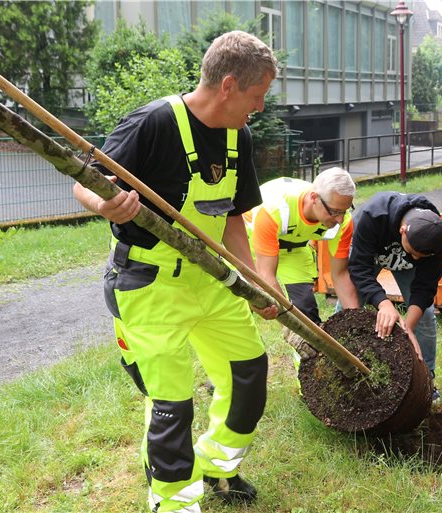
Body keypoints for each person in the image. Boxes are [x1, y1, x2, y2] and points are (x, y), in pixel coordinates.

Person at [72, 31, 279, 513]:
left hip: (213, 281)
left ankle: (217, 466)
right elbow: (82, 180)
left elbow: (231, 218)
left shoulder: (238, 136)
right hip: (149, 284)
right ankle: (173, 503)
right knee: (171, 404)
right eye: (257, 96)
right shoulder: (153, 122)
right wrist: (107, 203)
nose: (260, 107)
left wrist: (253, 283)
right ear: (228, 85)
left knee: (249, 374)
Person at [346, 192, 442, 401]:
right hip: (370, 256)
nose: (415, 258)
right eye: (413, 252)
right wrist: (383, 304)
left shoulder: (435, 235)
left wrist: (408, 328)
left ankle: (426, 379)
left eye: (421, 257)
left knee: (426, 318)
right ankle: (344, 374)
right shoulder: (372, 217)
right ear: (402, 230)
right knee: (347, 312)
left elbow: (425, 286)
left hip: (405, 268)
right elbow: (359, 269)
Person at [245, 167, 359, 330]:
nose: (340, 219)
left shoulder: (343, 221)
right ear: (314, 198)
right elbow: (266, 275)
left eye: (344, 210)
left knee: (305, 310)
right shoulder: (274, 209)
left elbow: (340, 275)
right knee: (247, 304)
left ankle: (310, 354)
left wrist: (356, 323)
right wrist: (291, 326)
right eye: (334, 212)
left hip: (294, 246)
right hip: (252, 245)